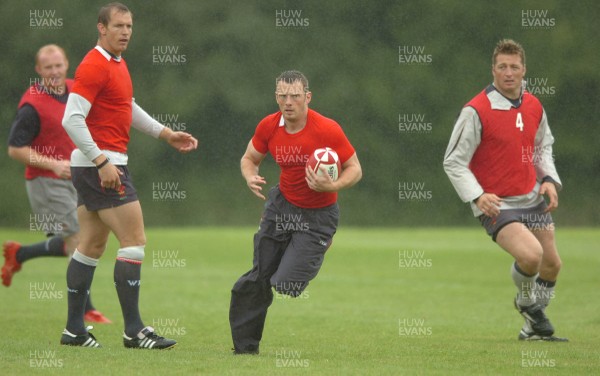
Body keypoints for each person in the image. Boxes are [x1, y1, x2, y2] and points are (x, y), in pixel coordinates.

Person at [60, 2, 197, 349]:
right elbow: (71, 119)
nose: (125, 32)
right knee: (134, 242)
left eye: (129, 27)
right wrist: (102, 161)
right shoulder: (94, 64)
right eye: (118, 26)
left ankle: (74, 331)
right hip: (102, 166)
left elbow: (127, 107)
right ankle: (134, 331)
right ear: (101, 28)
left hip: (92, 165)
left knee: (90, 245)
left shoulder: (116, 64)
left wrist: (166, 134)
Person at [229, 70, 362, 354]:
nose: (288, 101)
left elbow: (355, 169)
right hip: (281, 206)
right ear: (276, 96)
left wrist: (333, 184)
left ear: (307, 97)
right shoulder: (268, 126)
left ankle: (316, 244)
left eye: (295, 96)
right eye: (282, 95)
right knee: (259, 277)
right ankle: (245, 350)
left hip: (318, 216)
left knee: (286, 284)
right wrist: (250, 175)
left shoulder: (327, 130)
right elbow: (249, 158)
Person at [443, 39, 566, 341]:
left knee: (552, 264)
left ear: (524, 70)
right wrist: (477, 195)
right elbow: (453, 161)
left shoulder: (535, 105)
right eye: (502, 67)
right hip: (497, 204)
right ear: (493, 70)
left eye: (514, 67)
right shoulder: (476, 110)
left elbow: (542, 148)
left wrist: (548, 179)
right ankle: (525, 303)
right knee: (531, 256)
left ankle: (532, 329)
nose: (508, 73)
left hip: (531, 197)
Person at [4, 44, 111, 324]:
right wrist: (53, 164)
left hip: (77, 177)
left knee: (88, 240)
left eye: (58, 65)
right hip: (45, 182)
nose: (54, 71)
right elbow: (15, 149)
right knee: (78, 240)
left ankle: (20, 253)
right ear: (38, 70)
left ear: (67, 65)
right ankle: (85, 310)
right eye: (48, 67)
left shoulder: (76, 90)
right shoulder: (32, 104)